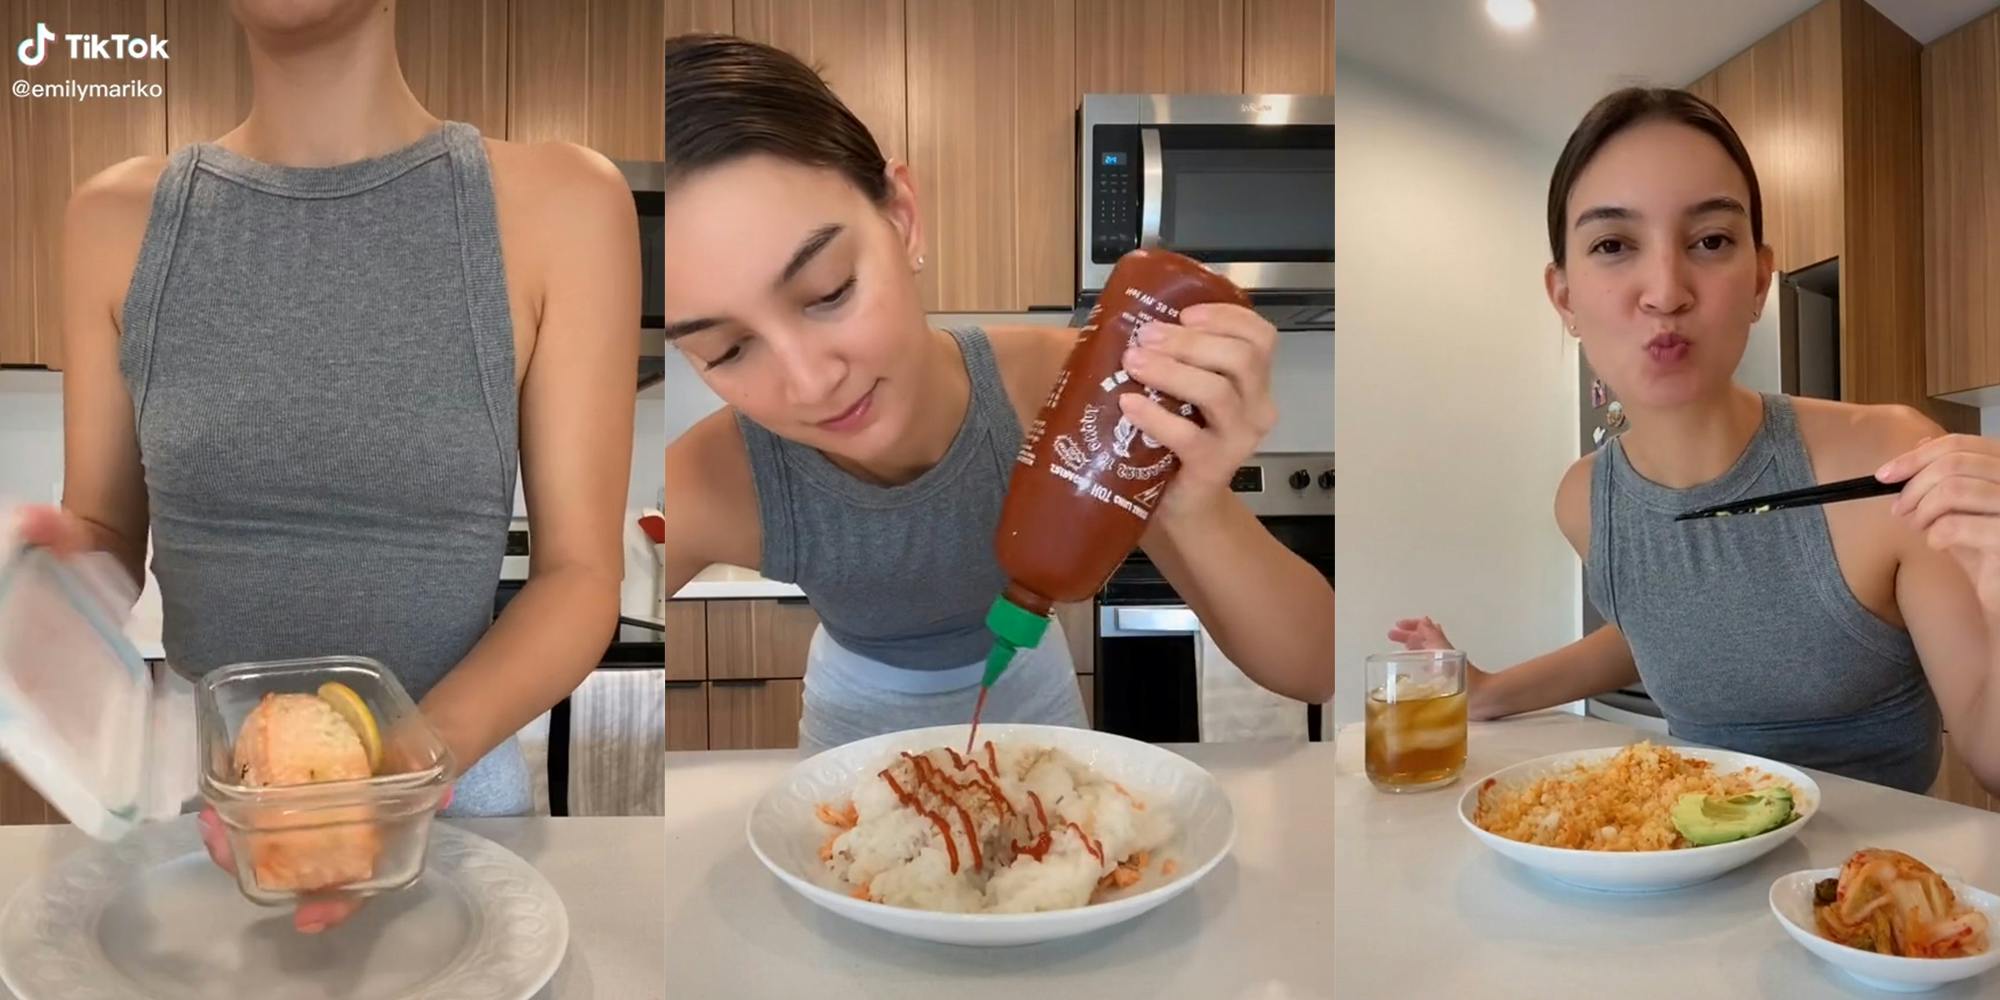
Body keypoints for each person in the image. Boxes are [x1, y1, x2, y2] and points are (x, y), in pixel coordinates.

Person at [20, 0, 637, 931]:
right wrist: (39, 587)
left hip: (451, 798)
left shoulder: (567, 204)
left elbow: (582, 577)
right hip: (207, 817)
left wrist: (395, 774)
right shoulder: (111, 218)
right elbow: (105, 534)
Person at [654, 35, 1336, 752]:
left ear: (902, 218)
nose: (810, 381)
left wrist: (1192, 507)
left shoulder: (1063, 390)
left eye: (829, 291)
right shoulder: (717, 478)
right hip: (846, 731)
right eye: (725, 350)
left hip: (1035, 715)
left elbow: (1315, 667)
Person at [1389, 86, 2000, 795]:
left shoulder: (1889, 461)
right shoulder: (1586, 498)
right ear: (1565, 299)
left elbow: (1991, 756)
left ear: (1759, 283)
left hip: (1858, 890)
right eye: (1614, 245)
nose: (1666, 291)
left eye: (1710, 241)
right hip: (1683, 874)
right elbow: (1665, 627)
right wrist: (1487, 690)